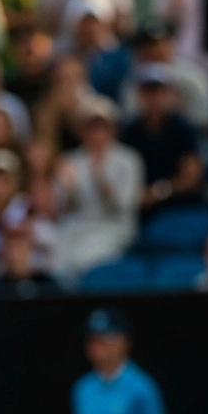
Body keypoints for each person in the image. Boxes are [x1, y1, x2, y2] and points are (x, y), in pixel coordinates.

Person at [53, 96, 144, 281]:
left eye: (101, 127)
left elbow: (123, 207)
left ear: (112, 130)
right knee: (56, 264)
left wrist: (100, 179)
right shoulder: (71, 160)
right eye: (91, 128)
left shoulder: (128, 160)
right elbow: (63, 209)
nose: (96, 133)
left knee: (85, 262)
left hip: (112, 227)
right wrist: (70, 191)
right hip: (76, 227)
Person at [118, 63, 204, 216]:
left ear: (169, 94)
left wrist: (158, 192)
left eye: (159, 91)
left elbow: (191, 178)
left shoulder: (182, 130)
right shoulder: (131, 132)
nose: (155, 98)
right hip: (140, 209)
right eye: (149, 92)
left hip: (180, 206)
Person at [118, 22, 208, 133]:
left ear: (169, 45)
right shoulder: (132, 79)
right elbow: (129, 118)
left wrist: (175, 114)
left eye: (156, 44)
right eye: (145, 45)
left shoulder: (193, 76)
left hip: (188, 140)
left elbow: (205, 119)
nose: (152, 50)